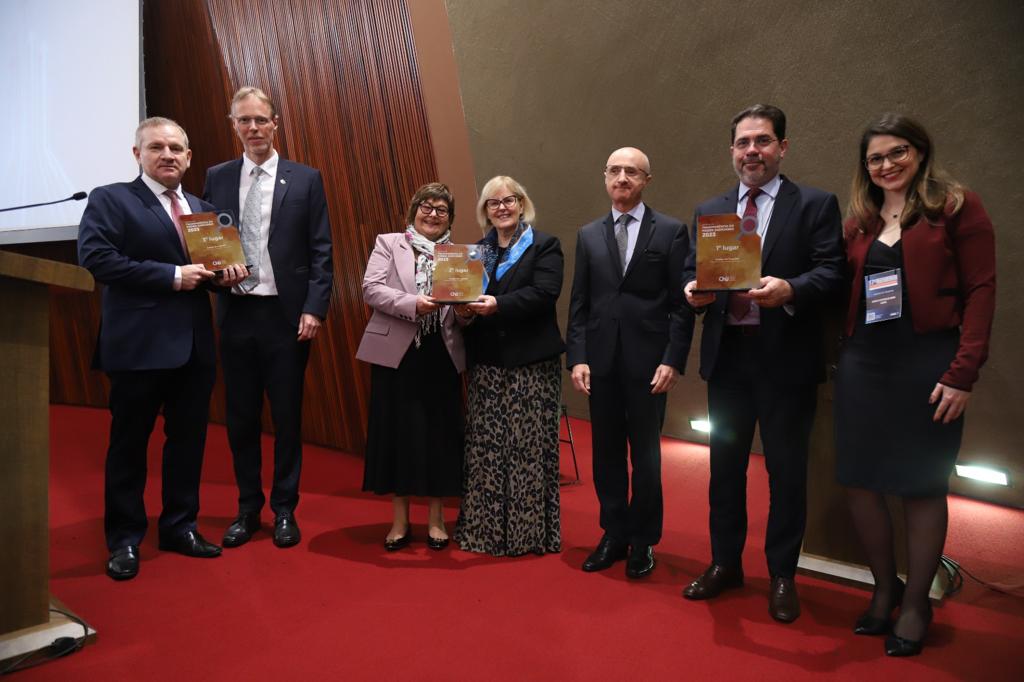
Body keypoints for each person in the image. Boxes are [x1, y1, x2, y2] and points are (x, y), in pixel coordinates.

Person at [835, 114, 996, 656]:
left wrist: (963, 374)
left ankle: (917, 604)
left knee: (921, 486)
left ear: (920, 152)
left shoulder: (955, 207)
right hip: (863, 366)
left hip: (928, 366)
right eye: (875, 158)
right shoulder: (859, 220)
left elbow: (981, 290)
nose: (886, 165)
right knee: (859, 481)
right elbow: (838, 287)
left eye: (897, 152)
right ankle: (885, 590)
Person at [682, 104, 843, 622]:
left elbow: (832, 273)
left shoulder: (815, 205)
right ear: (732, 150)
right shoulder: (712, 208)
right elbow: (695, 271)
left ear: (782, 148)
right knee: (724, 471)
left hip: (785, 362)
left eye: (763, 141)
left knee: (786, 474)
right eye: (744, 142)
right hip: (728, 361)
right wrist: (693, 292)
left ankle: (781, 575)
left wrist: (791, 288)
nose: (753, 151)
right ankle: (725, 564)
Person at [78, 117, 246, 580]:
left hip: (193, 348)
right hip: (138, 345)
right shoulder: (111, 198)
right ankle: (125, 539)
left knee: (188, 442)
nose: (168, 155)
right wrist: (172, 276)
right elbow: (96, 258)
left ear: (189, 157)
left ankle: (179, 526)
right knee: (129, 445)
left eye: (176, 148)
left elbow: (212, 275)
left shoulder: (203, 210)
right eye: (157, 147)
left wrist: (228, 276)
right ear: (138, 155)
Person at [203, 87, 333, 550]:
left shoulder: (306, 179)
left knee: (287, 419)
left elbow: (322, 249)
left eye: (261, 119)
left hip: (287, 318)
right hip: (236, 314)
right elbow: (206, 245)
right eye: (244, 121)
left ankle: (283, 510)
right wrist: (218, 273)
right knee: (239, 418)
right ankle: (246, 509)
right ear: (233, 125)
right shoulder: (216, 177)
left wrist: (315, 308)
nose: (253, 128)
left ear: (276, 123)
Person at [566, 147, 692, 578]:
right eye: (615, 171)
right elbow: (579, 303)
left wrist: (673, 360)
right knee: (605, 455)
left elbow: (680, 305)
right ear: (605, 177)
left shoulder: (672, 232)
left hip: (649, 366)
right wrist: (577, 357)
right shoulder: (587, 235)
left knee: (647, 458)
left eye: (632, 172)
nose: (622, 178)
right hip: (600, 364)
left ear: (646, 180)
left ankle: (643, 540)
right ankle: (614, 533)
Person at [453, 176, 565, 556]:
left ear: (522, 204)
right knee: (486, 450)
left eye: (509, 200)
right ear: (485, 211)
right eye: (492, 203)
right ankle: (484, 531)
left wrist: (497, 305)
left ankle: (527, 535)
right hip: (487, 364)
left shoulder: (545, 245)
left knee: (525, 449)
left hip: (530, 366)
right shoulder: (476, 252)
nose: (501, 208)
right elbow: (466, 301)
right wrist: (465, 313)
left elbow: (544, 293)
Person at [355, 183, 465, 551]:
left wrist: (467, 311)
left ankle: (436, 519)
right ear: (413, 209)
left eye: (442, 210)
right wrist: (412, 303)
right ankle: (399, 520)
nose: (433, 214)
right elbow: (370, 289)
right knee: (396, 434)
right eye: (426, 207)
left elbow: (464, 309)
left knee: (440, 436)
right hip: (397, 355)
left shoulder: (460, 254)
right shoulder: (389, 243)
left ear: (450, 217)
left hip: (442, 354)